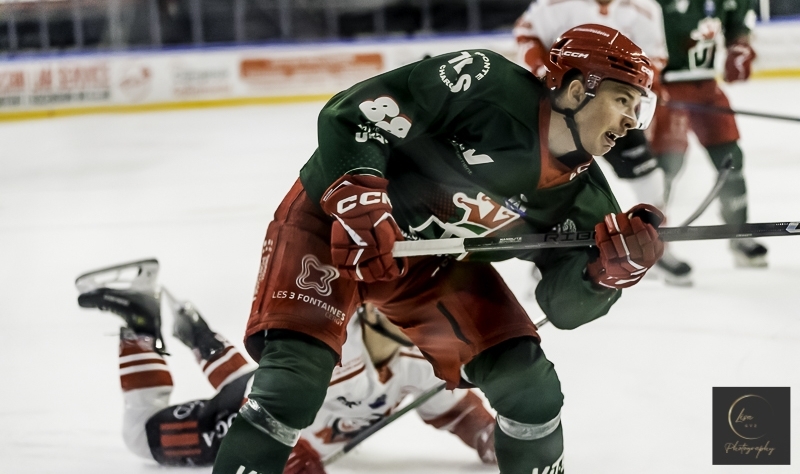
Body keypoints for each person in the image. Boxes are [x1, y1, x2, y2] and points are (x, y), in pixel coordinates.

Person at [213, 25, 665, 474]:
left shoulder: (586, 199)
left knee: (530, 389)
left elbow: (563, 307)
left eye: (637, 107)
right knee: (292, 383)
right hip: (335, 224)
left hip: (432, 264)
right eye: (622, 100)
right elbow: (355, 112)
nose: (631, 121)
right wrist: (360, 195)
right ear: (573, 90)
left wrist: (604, 275)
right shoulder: (485, 81)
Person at [75, 259, 496, 472]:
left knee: (259, 379)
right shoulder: (333, 341)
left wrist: (489, 436)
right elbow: (274, 407)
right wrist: (284, 455)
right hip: (253, 416)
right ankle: (139, 323)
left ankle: (199, 336)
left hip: (272, 390)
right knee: (139, 435)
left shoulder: (416, 360)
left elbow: (456, 412)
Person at [513, 0, 693, 286]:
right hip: (565, 108)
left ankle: (652, 248)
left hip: (615, 107)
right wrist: (540, 67)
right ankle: (550, 256)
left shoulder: (645, 8)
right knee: (559, 187)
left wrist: (645, 86)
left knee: (650, 178)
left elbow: (655, 58)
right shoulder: (554, 4)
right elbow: (526, 33)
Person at [652, 0, 767, 267]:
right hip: (666, 87)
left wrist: (740, 46)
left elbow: (739, 23)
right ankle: (652, 241)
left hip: (706, 87)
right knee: (667, 166)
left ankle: (739, 232)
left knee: (732, 159)